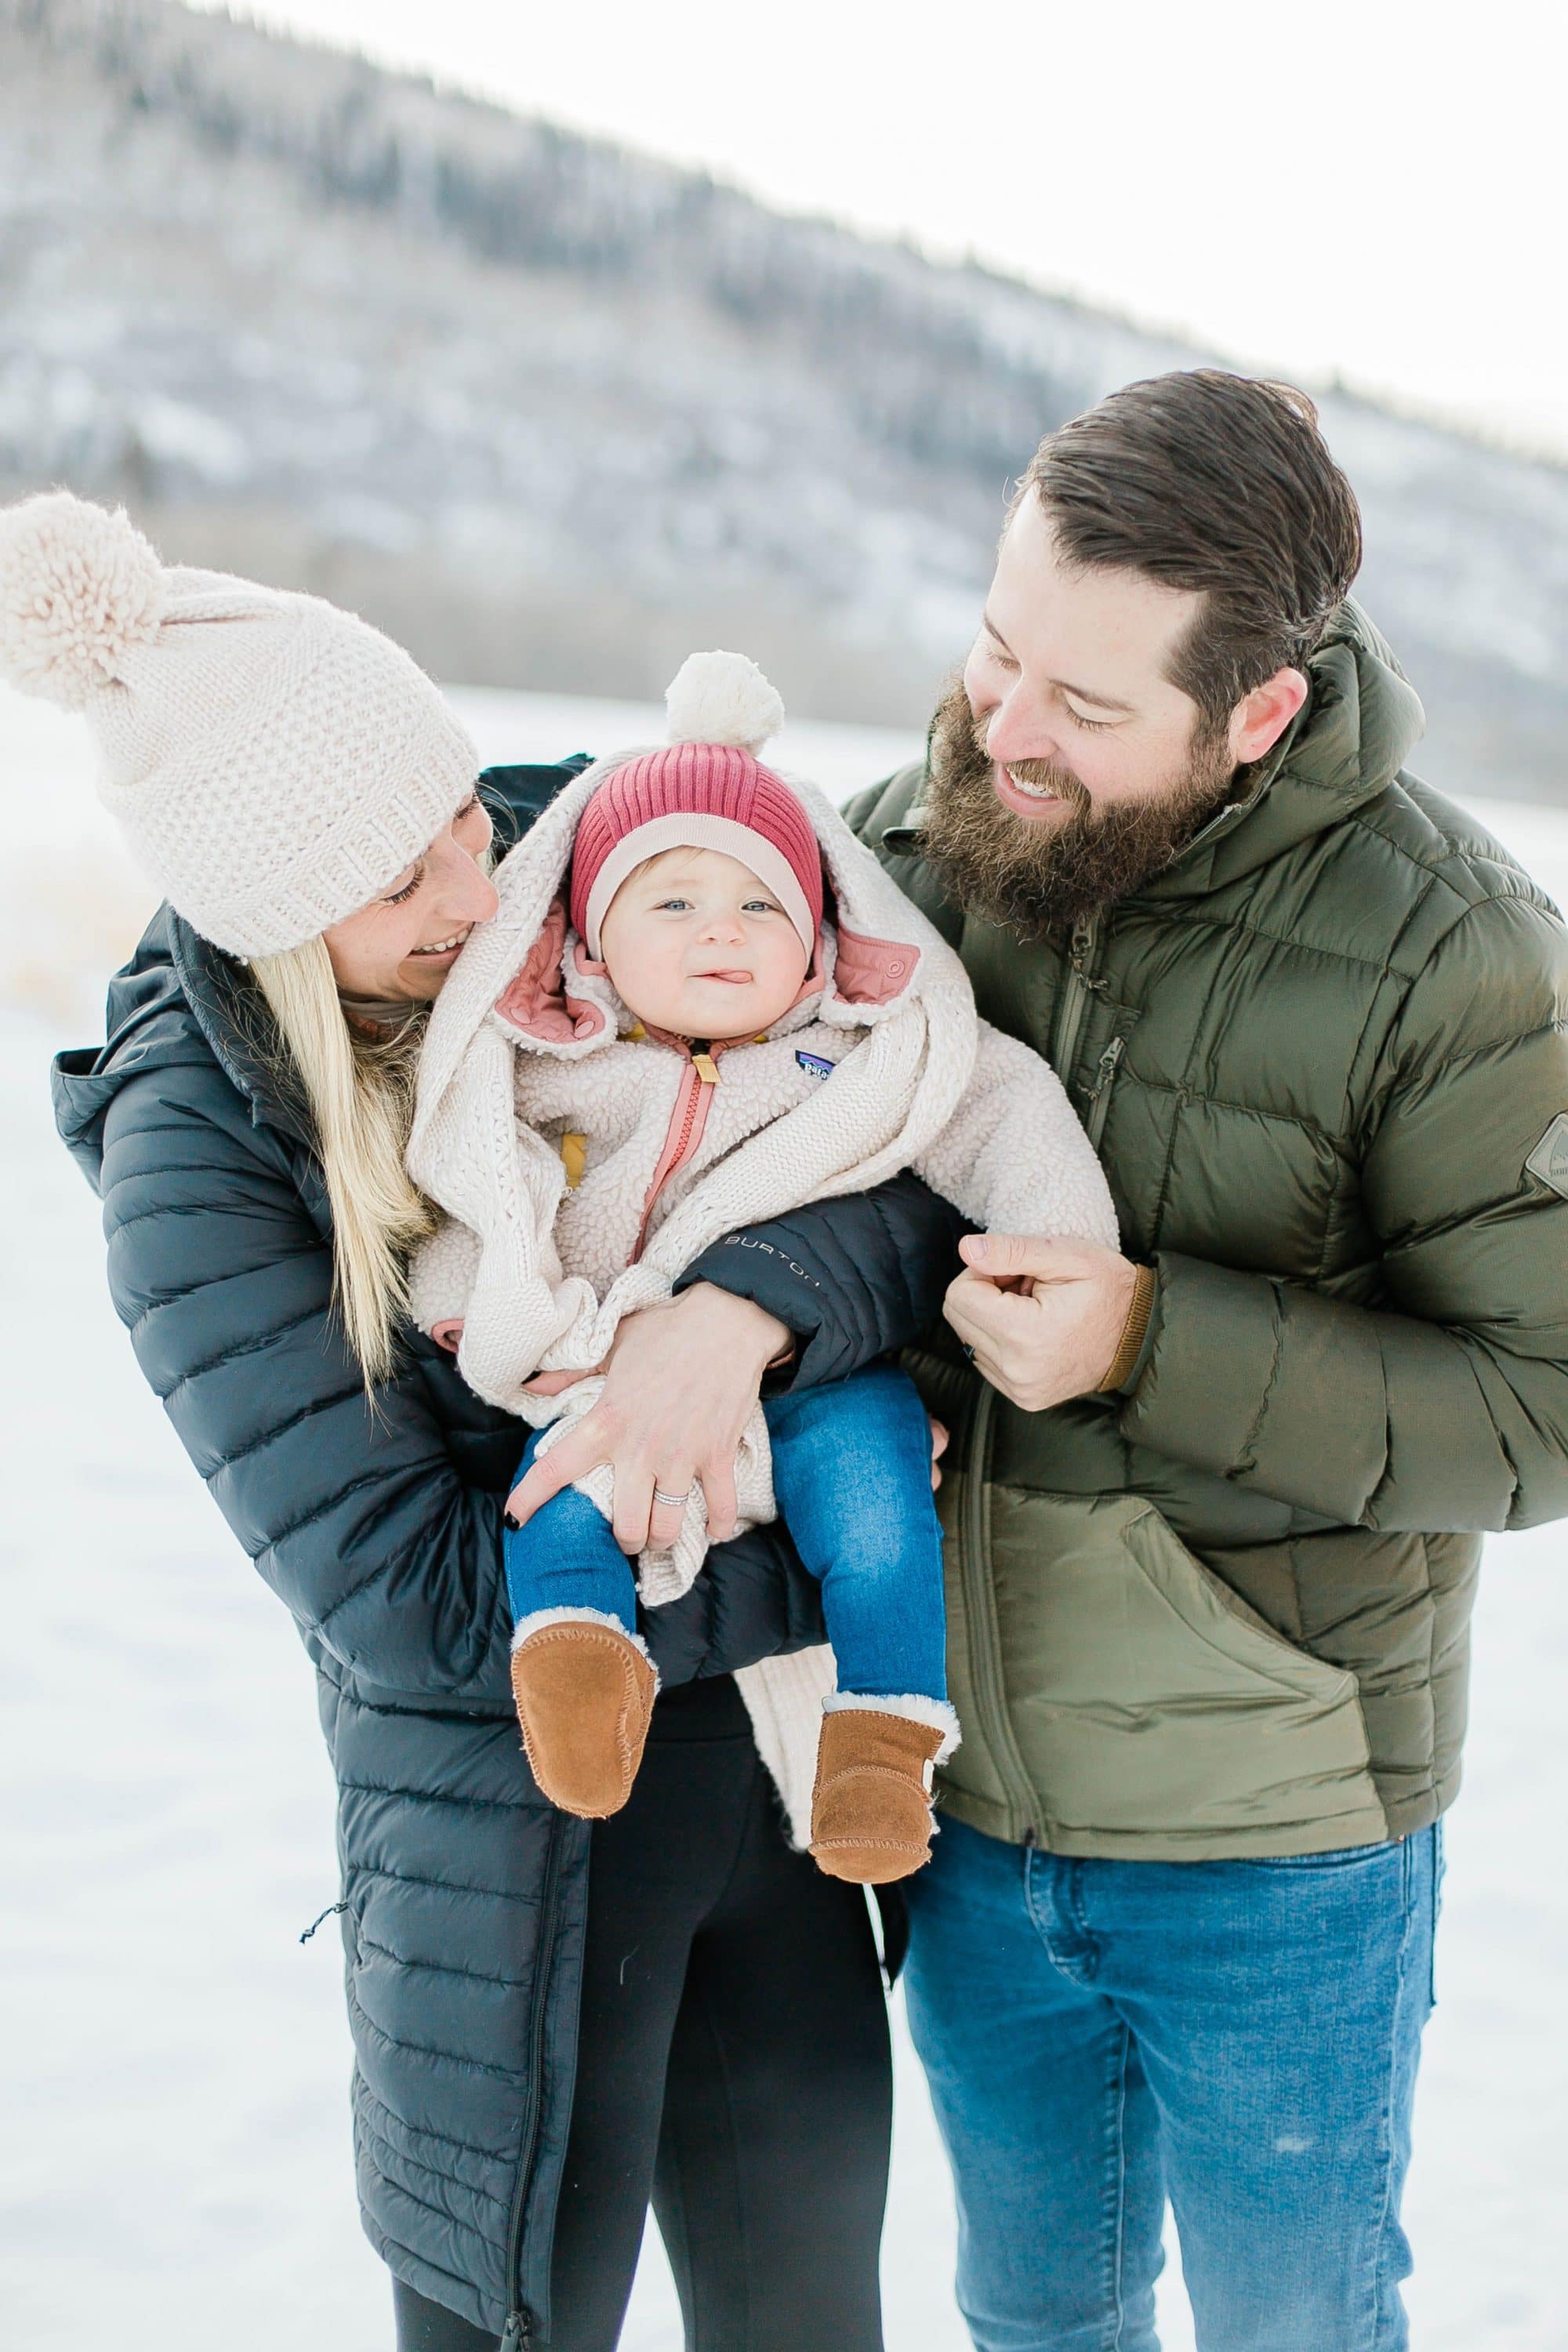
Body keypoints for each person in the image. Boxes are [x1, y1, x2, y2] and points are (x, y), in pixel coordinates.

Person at [13, 490, 965, 2351]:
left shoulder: (592, 861)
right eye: (408, 881)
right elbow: (425, 1609)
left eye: (464, 811)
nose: (483, 887)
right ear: (283, 923)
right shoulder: (191, 1163)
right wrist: (817, 1576)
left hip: (772, 1830)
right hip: (513, 1883)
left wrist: (738, 1311)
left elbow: (899, 1152)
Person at [825, 369, 1568, 2350]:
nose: (1009, 729)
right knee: (1035, 2317)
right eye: (998, 651)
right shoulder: (894, 850)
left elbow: (1541, 1406)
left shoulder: (1456, 953)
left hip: (1282, 1834)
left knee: (1292, 2329)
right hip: (964, 1793)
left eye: (1088, 705)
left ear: (1258, 716)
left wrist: (1152, 1339)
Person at [402, 649, 1118, 1880]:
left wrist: (1061, 1245)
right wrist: (485, 1312)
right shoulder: (551, 1062)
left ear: (822, 935)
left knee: (883, 1505)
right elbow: (483, 1194)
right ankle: (582, 1670)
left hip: (817, 1384)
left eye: (760, 906)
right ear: (587, 942)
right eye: (670, 902)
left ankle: (882, 1747)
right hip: (611, 1378)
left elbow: (1001, 1107)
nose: (720, 930)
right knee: (551, 1501)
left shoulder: (858, 1051)